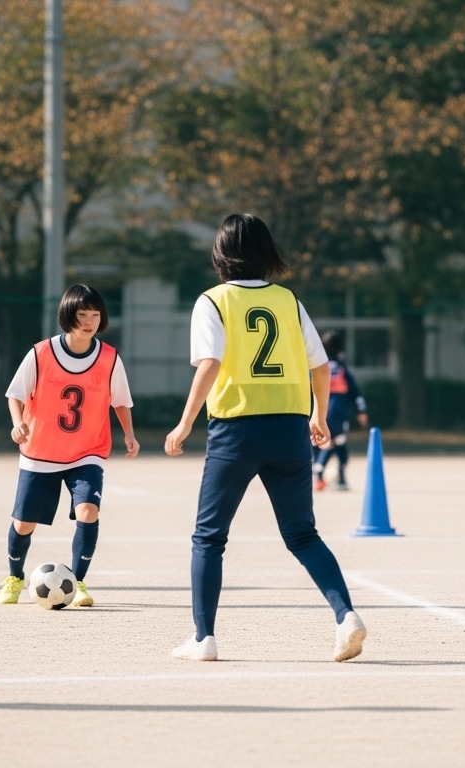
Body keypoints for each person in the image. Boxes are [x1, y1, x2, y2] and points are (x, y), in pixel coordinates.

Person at [165, 213, 365, 662]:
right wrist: (318, 415)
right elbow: (320, 365)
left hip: (235, 431)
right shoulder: (287, 300)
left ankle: (203, 638)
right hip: (289, 429)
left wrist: (185, 422)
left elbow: (210, 363)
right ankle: (346, 615)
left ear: (221, 253)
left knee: (209, 537)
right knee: (302, 534)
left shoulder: (213, 301)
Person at [0, 285, 139, 607]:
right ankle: (14, 577)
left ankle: (78, 582)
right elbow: (15, 394)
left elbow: (120, 401)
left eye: (95, 315)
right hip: (41, 451)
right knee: (24, 523)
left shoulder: (109, 358)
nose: (89, 321)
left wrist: (129, 434)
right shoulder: (41, 353)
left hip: (87, 451)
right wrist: (18, 423)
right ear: (67, 315)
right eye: (82, 314)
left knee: (88, 511)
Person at [312, 331, 368, 491]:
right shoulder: (341, 366)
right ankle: (331, 476)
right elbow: (354, 390)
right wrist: (361, 410)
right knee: (338, 443)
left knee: (319, 443)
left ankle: (320, 475)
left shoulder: (317, 366)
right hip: (337, 411)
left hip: (319, 410)